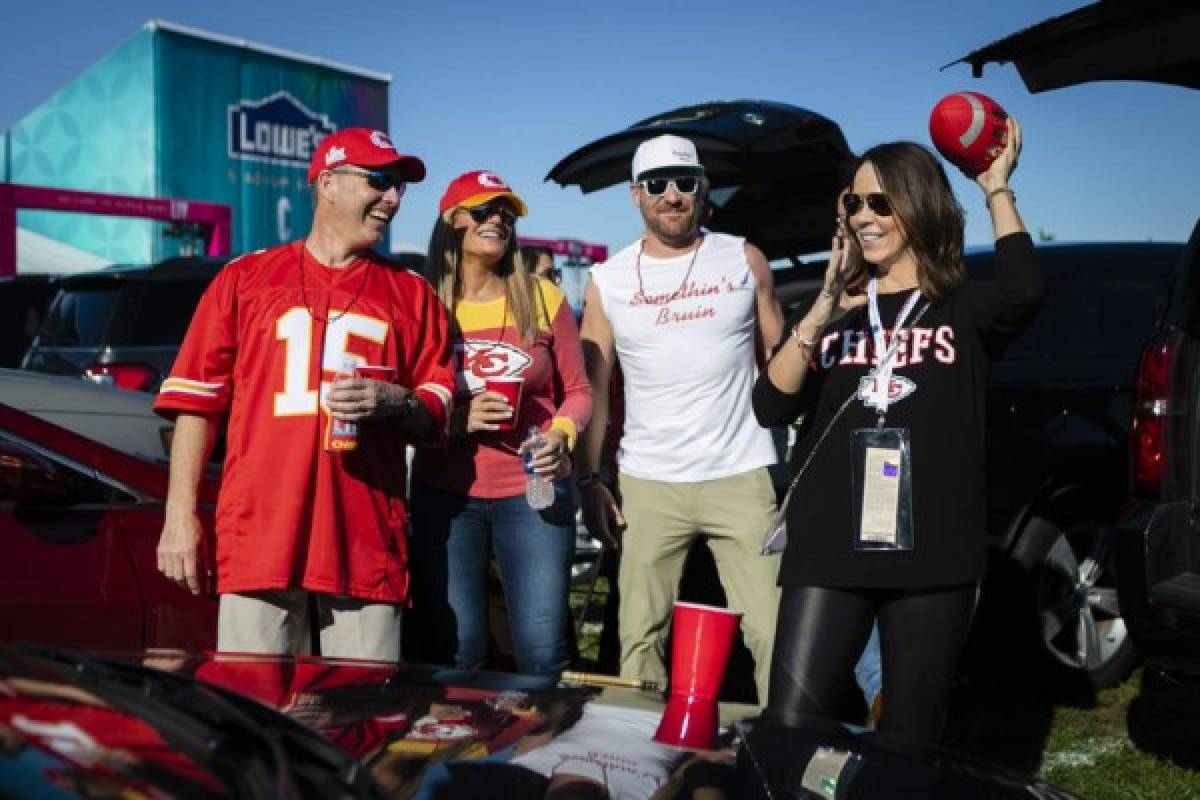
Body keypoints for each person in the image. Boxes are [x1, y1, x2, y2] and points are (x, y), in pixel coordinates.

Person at [752, 119, 1041, 746]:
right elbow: (771, 404)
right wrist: (826, 306)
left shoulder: (960, 306)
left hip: (932, 553)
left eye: (880, 202)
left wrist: (996, 188)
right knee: (790, 724)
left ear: (917, 206)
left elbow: (1024, 293)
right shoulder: (837, 311)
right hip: (828, 546)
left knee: (908, 739)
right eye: (853, 202)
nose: (862, 216)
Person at [153, 128, 455, 661]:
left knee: (360, 725)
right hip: (260, 538)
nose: (393, 199)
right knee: (258, 715)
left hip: (363, 545)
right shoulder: (244, 279)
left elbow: (438, 412)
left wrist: (398, 403)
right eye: (380, 182)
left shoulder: (413, 293)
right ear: (329, 183)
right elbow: (197, 407)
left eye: (400, 188)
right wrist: (180, 517)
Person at [576, 133, 784, 702]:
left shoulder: (744, 257)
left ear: (703, 189)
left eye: (685, 182)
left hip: (740, 475)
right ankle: (638, 774)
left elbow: (783, 370)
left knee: (771, 630)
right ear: (635, 195)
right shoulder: (609, 279)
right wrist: (590, 480)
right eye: (658, 184)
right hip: (649, 482)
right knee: (638, 638)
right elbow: (593, 387)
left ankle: (780, 761)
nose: (672, 196)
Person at [409, 170, 592, 677]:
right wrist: (458, 420)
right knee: (457, 651)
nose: (497, 222)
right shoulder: (423, 303)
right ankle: (463, 752)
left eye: (505, 215)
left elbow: (578, 392)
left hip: (532, 491)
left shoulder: (543, 298)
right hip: (446, 497)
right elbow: (405, 404)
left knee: (540, 650)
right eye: (484, 211)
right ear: (452, 221)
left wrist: (562, 433)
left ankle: (540, 754)